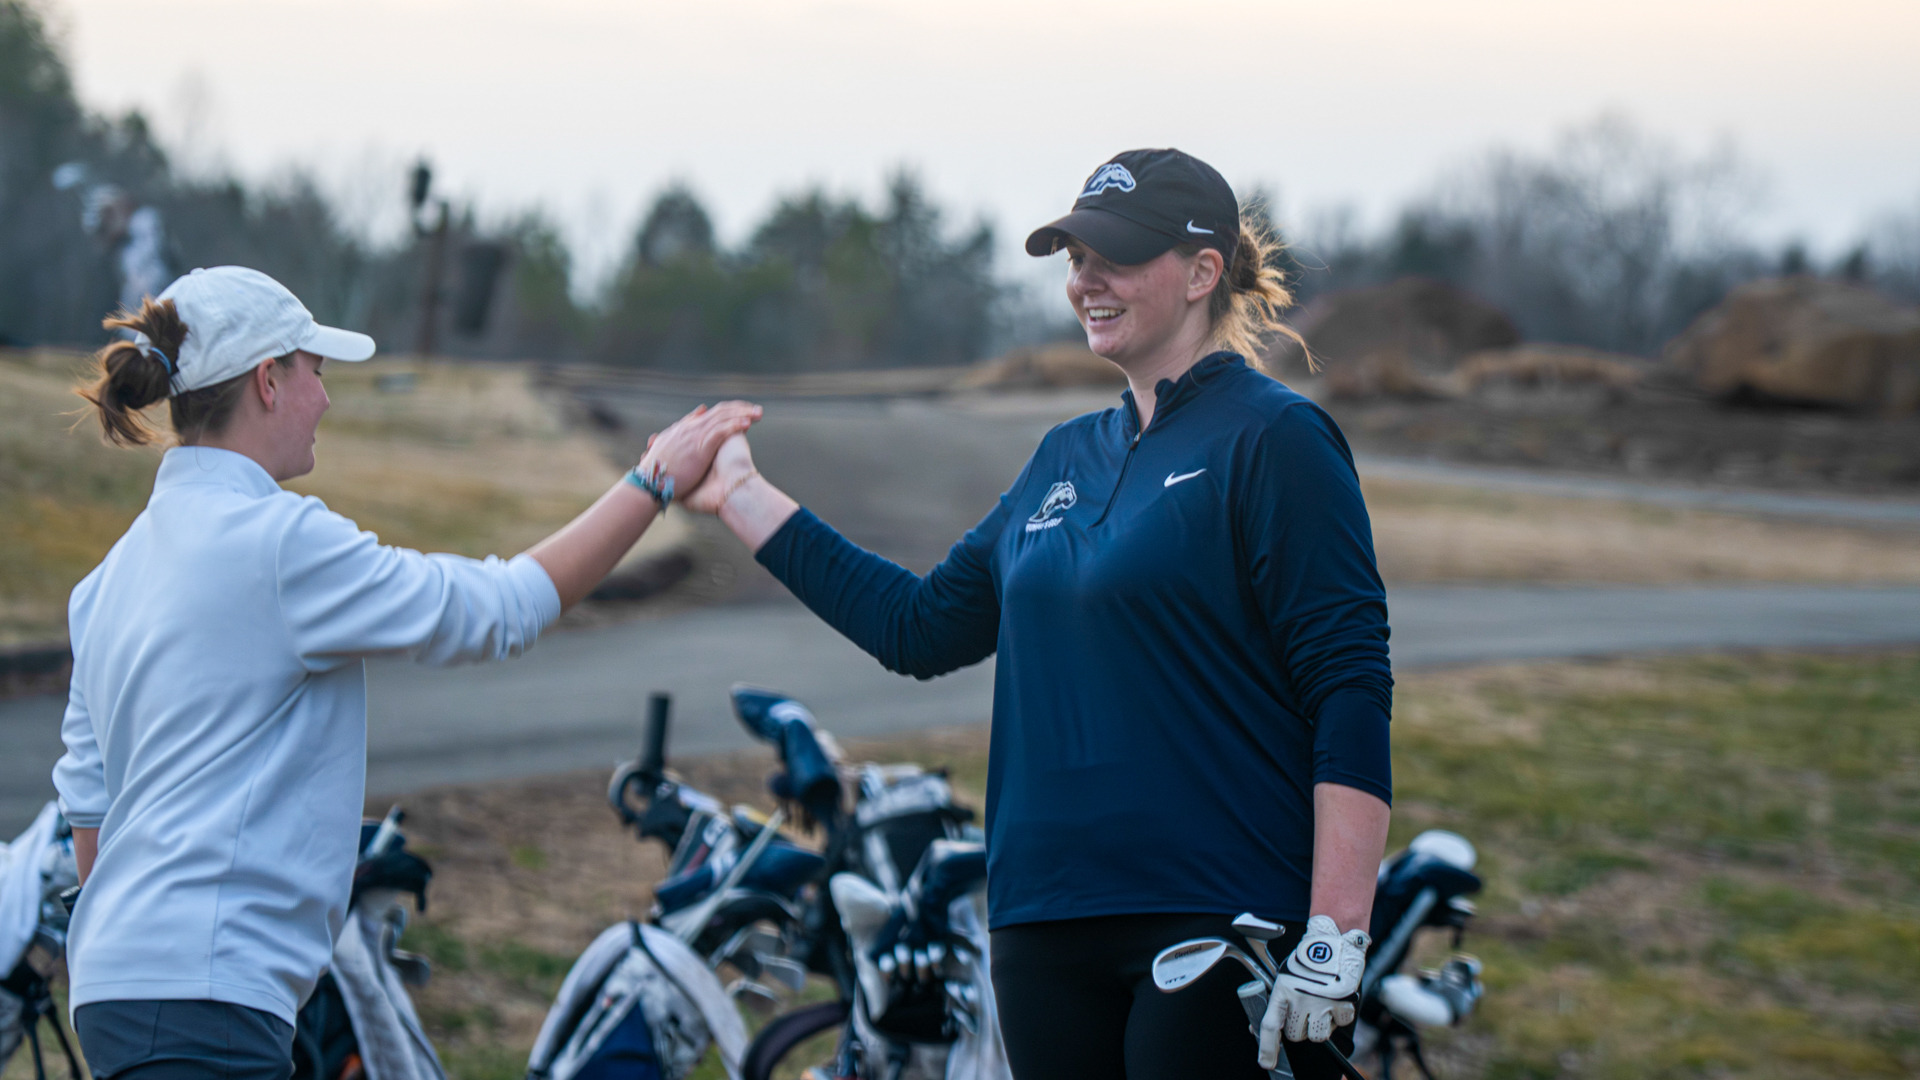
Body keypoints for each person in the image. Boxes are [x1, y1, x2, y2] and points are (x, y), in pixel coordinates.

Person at [681, 149, 1392, 1079]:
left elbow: (1348, 683)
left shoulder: (1276, 437)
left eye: (1115, 257)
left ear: (1201, 272)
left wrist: (1337, 929)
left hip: (1219, 914)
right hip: (1043, 924)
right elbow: (919, 627)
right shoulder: (1062, 458)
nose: (1085, 280)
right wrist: (739, 495)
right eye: (1075, 258)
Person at [52, 265, 758, 1079]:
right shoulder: (278, 545)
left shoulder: (104, 582)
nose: (326, 398)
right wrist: (653, 479)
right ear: (268, 381)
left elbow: (91, 822)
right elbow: (500, 609)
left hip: (118, 992)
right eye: (316, 371)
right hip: (205, 999)